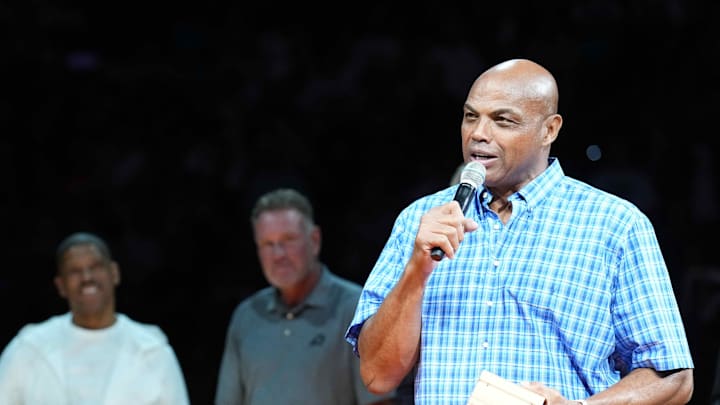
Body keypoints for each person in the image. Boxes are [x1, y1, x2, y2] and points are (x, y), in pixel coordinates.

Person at [345, 58, 694, 404]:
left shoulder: (614, 225)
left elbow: (672, 377)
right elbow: (377, 375)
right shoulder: (420, 220)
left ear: (549, 130)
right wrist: (416, 271)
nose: (478, 134)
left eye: (503, 120)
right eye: (470, 116)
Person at [214, 187, 397, 405]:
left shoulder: (356, 308)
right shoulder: (246, 316)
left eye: (288, 240)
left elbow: (379, 402)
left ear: (315, 240)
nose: (278, 254)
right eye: (268, 244)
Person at [0, 231, 190, 404]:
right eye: (74, 271)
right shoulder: (29, 349)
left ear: (114, 273)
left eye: (96, 266)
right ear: (61, 285)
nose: (86, 277)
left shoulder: (152, 352)